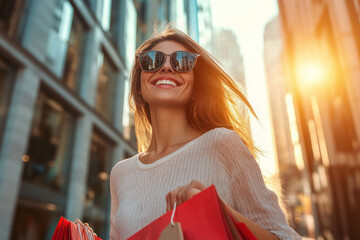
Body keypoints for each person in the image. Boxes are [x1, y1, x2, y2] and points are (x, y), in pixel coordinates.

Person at [109, 27, 302, 240]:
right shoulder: (121, 173)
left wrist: (219, 209)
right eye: (152, 60)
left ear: (195, 86)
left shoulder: (222, 144)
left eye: (182, 61)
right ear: (138, 86)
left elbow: (286, 237)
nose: (166, 67)